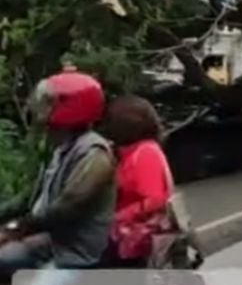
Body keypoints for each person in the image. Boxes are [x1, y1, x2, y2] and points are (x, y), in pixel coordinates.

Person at [0, 71, 116, 274]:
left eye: (48, 102)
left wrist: (15, 229)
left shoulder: (95, 155)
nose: (40, 108)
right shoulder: (62, 146)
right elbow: (32, 197)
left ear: (70, 106)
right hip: (53, 241)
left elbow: (65, 209)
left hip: (78, 254)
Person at [101, 95, 174, 268]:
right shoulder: (131, 152)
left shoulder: (145, 152)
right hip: (127, 238)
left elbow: (155, 199)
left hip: (137, 242)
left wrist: (119, 217)